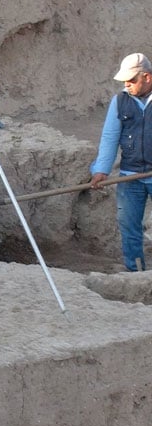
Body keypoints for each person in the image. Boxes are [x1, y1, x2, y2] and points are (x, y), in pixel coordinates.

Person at [89, 52, 152, 272]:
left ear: (147, 77)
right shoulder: (120, 101)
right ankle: (135, 271)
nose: (127, 84)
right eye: (125, 80)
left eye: (132, 80)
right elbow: (110, 137)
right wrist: (101, 170)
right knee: (129, 226)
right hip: (130, 175)